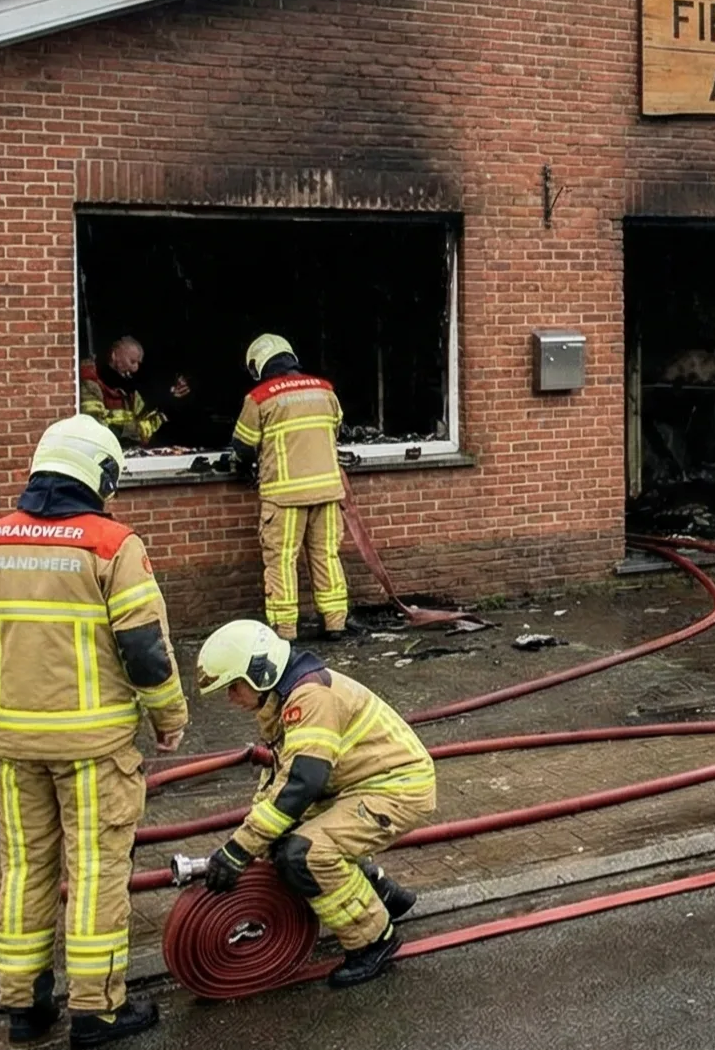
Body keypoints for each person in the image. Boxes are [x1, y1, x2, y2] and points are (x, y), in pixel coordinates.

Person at [0, 415, 188, 1047]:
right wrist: (169, 718)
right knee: (95, 873)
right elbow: (145, 650)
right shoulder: (111, 546)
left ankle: (24, 1007)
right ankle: (96, 1009)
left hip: (14, 748)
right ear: (101, 475)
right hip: (94, 751)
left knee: (25, 870)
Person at [195, 619, 435, 990]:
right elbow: (280, 779)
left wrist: (238, 851)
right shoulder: (286, 697)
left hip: (397, 789)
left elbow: (302, 783)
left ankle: (374, 941)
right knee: (281, 839)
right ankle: (383, 894)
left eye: (233, 686)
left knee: (305, 854)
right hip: (356, 785)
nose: (231, 698)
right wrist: (250, 842)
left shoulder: (310, 699)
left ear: (259, 672)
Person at [232, 334, 351, 640]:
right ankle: (335, 623)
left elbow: (243, 446)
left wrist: (246, 466)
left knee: (282, 561)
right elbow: (337, 430)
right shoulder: (325, 390)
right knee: (326, 556)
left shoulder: (259, 397)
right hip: (327, 492)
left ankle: (284, 629)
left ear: (258, 365)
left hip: (284, 497)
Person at [78, 336, 189, 448]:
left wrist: (169, 401)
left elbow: (145, 426)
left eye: (138, 363)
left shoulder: (130, 390)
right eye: (132, 361)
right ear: (114, 355)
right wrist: (131, 432)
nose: (135, 368)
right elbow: (95, 427)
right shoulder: (90, 383)